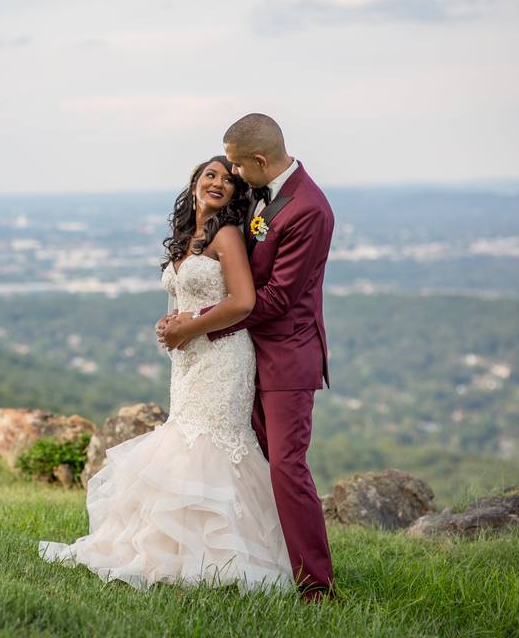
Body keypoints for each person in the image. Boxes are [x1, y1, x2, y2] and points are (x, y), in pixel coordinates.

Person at [37, 155, 297, 594]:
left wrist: (187, 328)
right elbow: (183, 298)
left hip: (222, 355)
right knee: (185, 438)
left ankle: (219, 555)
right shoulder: (188, 237)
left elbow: (243, 302)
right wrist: (170, 324)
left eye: (227, 180)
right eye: (209, 175)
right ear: (194, 183)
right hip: (189, 358)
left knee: (209, 442)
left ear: (236, 194)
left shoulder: (229, 235)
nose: (217, 183)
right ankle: (173, 549)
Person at [158, 113, 335, 602]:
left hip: (285, 357)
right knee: (247, 462)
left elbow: (274, 298)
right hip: (241, 353)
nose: (230, 175)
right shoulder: (265, 194)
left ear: (258, 160)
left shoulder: (308, 209)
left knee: (286, 466)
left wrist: (196, 326)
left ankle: (317, 587)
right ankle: (252, 558)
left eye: (235, 165)